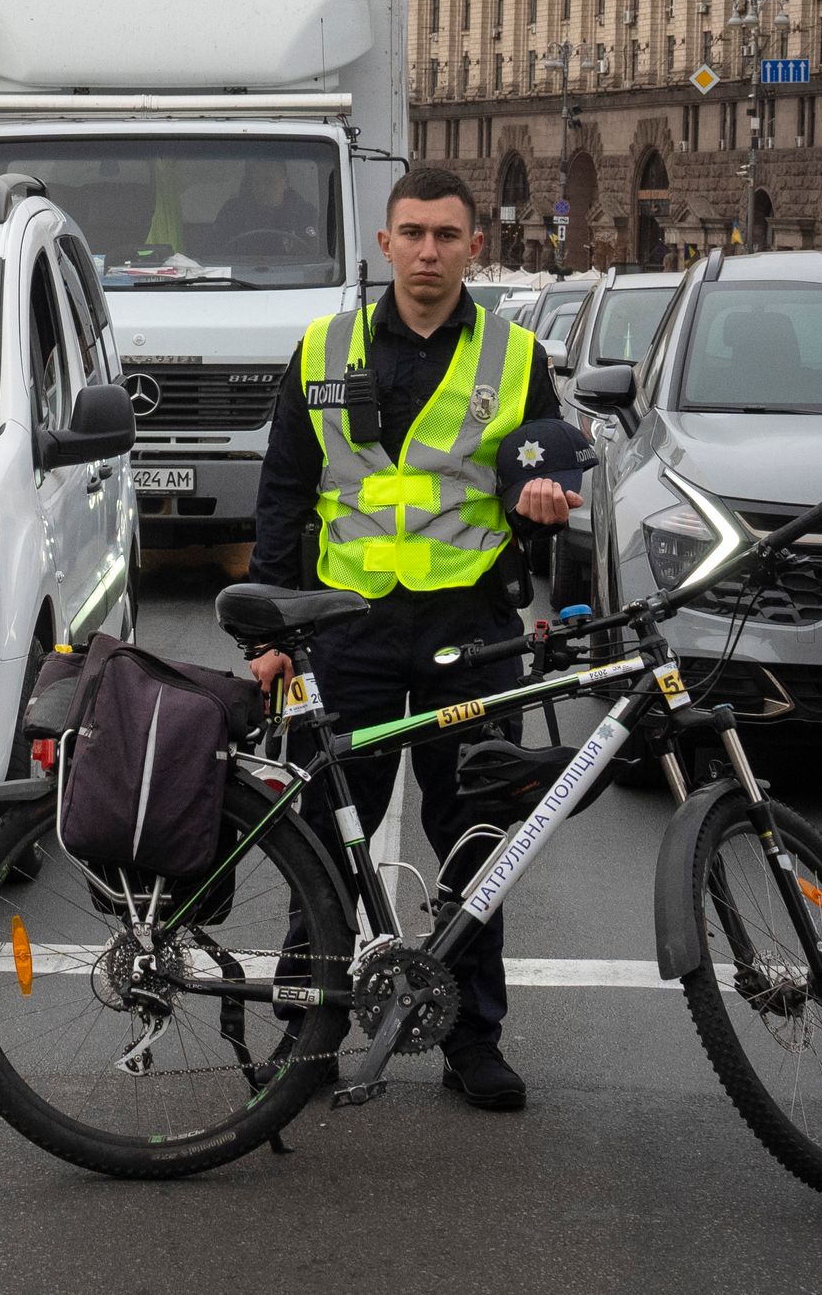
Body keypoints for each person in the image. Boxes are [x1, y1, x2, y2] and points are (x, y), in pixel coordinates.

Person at [249, 162, 571, 1116]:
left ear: (475, 246)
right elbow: (284, 491)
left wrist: (545, 506)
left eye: (447, 235)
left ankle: (474, 1038)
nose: (429, 251)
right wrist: (270, 627)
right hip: (342, 630)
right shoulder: (322, 347)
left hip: (467, 630)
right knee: (319, 841)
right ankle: (307, 1035)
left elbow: (537, 483)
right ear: (383, 244)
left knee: (474, 836)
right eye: (413, 233)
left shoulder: (517, 357)